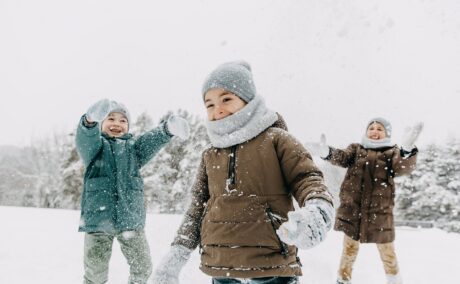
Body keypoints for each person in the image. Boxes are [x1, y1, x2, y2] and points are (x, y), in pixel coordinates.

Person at [152, 61, 334, 284]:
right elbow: (197, 207)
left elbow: (307, 179)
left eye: (226, 99)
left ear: (249, 101)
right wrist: (177, 254)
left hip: (270, 266)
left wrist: (317, 210)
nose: (217, 108)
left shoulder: (277, 140)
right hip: (221, 267)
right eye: (209, 104)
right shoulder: (210, 154)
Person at [76, 99, 190, 284]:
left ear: (128, 126)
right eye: (110, 118)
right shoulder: (95, 149)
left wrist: (167, 129)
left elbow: (149, 142)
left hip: (130, 218)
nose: (116, 123)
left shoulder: (133, 151)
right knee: (95, 273)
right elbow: (85, 138)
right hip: (98, 221)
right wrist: (89, 122)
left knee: (143, 267)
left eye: (123, 120)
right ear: (101, 122)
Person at [315, 118, 423, 284]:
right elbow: (342, 157)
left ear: (386, 134)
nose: (375, 131)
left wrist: (407, 151)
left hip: (379, 213)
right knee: (349, 250)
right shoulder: (356, 149)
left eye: (380, 129)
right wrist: (328, 153)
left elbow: (402, 167)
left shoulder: (391, 153)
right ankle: (343, 279)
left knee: (387, 252)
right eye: (371, 128)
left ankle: (394, 280)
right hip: (353, 211)